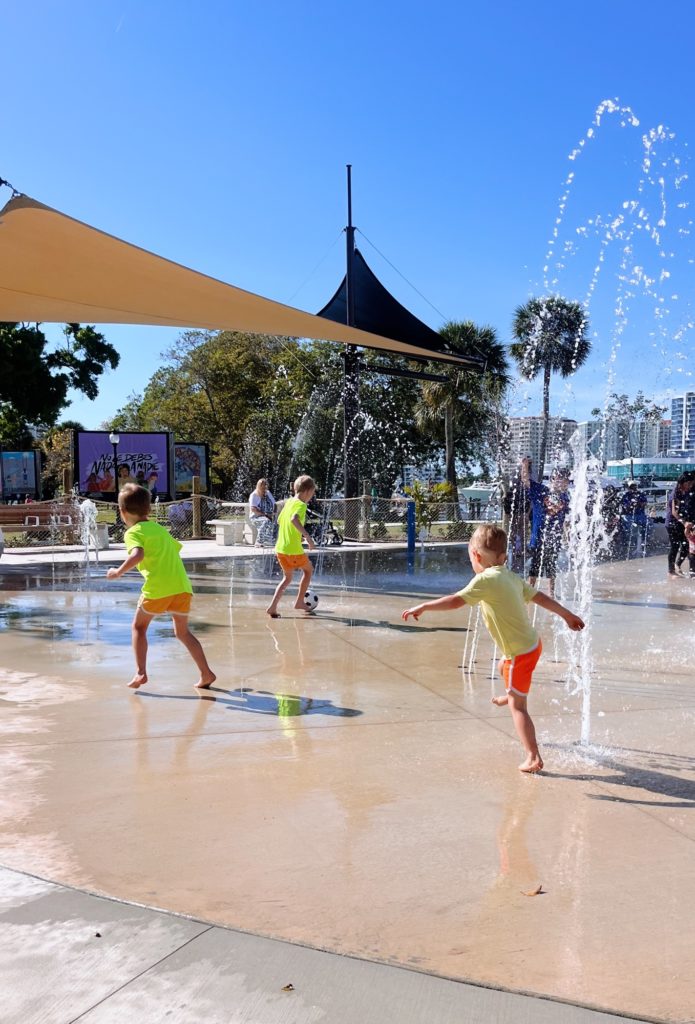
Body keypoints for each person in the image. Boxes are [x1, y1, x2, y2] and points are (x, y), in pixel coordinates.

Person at [402, 523, 584, 773]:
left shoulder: (485, 580)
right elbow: (540, 597)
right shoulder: (509, 576)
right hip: (532, 644)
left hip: (521, 654)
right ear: (503, 556)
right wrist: (567, 614)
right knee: (502, 664)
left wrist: (424, 607)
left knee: (518, 708)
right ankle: (510, 693)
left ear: (475, 556)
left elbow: (456, 601)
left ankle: (533, 757)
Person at [106, 483, 215, 690]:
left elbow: (137, 555)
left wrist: (117, 572)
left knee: (139, 627)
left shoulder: (133, 532)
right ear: (148, 509)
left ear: (122, 512)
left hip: (158, 589)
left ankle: (141, 672)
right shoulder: (160, 529)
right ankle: (206, 673)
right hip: (181, 586)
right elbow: (175, 549)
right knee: (183, 632)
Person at [266, 474, 317, 618]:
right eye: (312, 493)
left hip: (280, 549)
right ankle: (299, 601)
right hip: (293, 550)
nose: (311, 497)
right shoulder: (301, 505)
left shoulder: (288, 503)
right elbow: (294, 519)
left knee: (287, 579)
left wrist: (293, 534)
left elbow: (280, 521)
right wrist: (307, 537)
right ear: (307, 491)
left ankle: (272, 607)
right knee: (308, 570)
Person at [522, 462, 571, 596]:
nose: (562, 482)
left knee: (551, 567)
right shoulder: (541, 490)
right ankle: (529, 592)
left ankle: (551, 594)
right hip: (538, 536)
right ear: (553, 479)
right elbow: (525, 480)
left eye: (565, 480)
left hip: (554, 537)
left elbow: (565, 520)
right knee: (535, 566)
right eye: (559, 479)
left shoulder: (565, 497)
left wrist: (568, 536)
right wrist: (524, 465)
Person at [665, 472, 693, 577]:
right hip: (672, 523)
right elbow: (674, 512)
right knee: (675, 546)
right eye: (688, 483)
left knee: (686, 546)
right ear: (682, 482)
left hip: (683, 523)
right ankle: (671, 571)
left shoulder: (687, 492)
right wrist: (685, 522)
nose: (690, 486)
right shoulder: (676, 493)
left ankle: (678, 564)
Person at [620, 481, 648, 558]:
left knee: (647, 526)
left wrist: (638, 504)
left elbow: (644, 503)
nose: (633, 488)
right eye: (631, 487)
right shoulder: (626, 496)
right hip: (629, 515)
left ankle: (642, 544)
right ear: (628, 488)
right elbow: (625, 507)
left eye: (634, 486)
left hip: (640, 515)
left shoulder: (641, 494)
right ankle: (631, 545)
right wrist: (631, 505)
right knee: (630, 529)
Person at [249, 478, 276, 546]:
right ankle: (259, 541)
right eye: (262, 486)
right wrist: (265, 515)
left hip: (268, 515)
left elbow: (274, 504)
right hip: (256, 517)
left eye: (265, 486)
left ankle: (274, 540)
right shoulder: (254, 495)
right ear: (259, 486)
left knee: (278, 521)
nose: (264, 488)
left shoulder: (268, 493)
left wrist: (274, 514)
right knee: (266, 521)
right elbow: (253, 509)